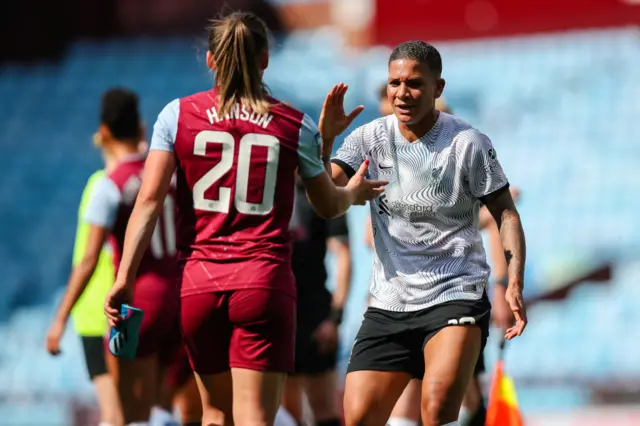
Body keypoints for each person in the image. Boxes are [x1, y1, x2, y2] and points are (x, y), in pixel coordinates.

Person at [104, 11, 386, 426]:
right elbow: (327, 205)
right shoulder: (296, 125)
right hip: (263, 282)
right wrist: (354, 193)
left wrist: (124, 277)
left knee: (215, 415)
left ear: (210, 61)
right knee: (255, 417)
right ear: (266, 59)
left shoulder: (175, 116)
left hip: (199, 284)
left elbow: (147, 202)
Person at [324, 41, 527, 426]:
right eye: (394, 83)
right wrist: (326, 143)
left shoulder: (469, 143)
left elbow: (506, 215)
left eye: (414, 83)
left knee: (435, 409)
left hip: (455, 295)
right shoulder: (367, 139)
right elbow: (326, 201)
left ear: (439, 87)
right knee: (359, 417)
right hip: (389, 303)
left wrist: (510, 281)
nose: (402, 93)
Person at [45, 133, 135, 426]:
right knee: (129, 409)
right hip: (121, 309)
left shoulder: (103, 186)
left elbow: (88, 259)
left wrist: (61, 318)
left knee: (117, 413)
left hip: (97, 313)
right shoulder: (128, 186)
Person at [281, 176, 352, 426]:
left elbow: (343, 256)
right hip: (275, 311)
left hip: (314, 313)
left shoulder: (322, 194)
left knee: (323, 410)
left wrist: (335, 318)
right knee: (286, 413)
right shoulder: (266, 189)